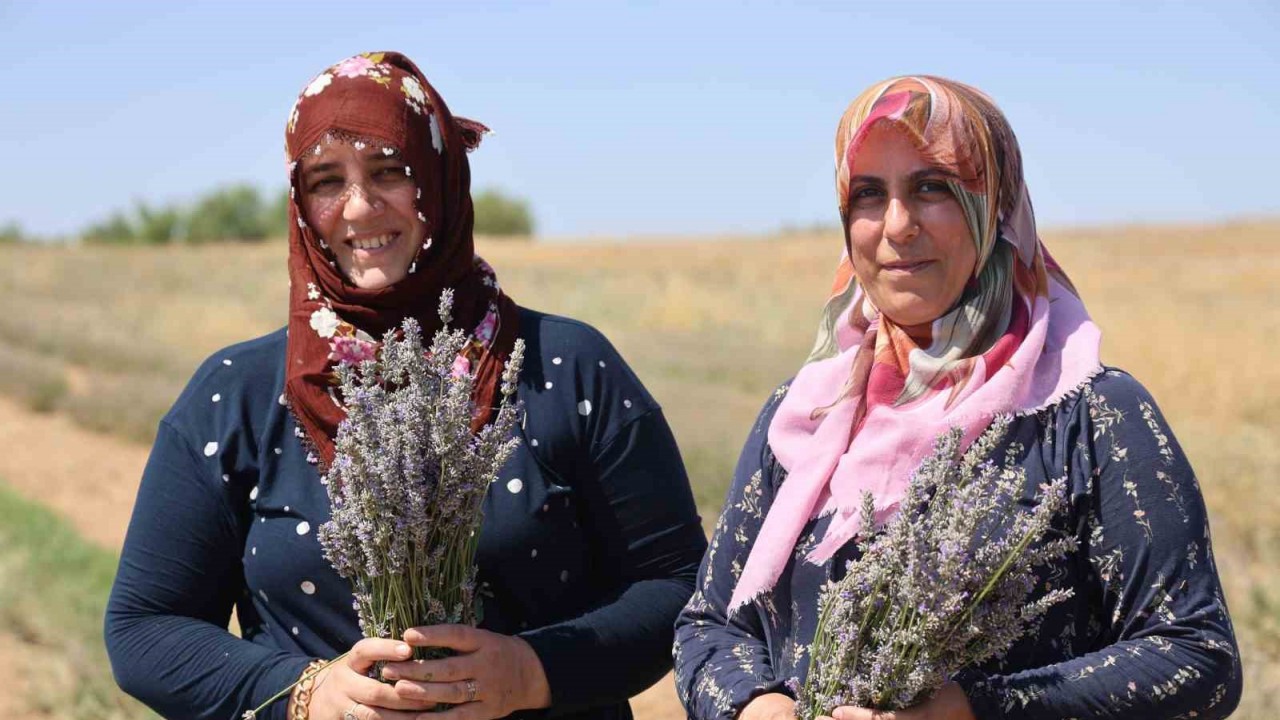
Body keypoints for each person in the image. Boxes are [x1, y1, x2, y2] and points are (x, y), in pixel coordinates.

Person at [105, 51, 707, 720]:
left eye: (391, 171)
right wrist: (309, 694)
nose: (359, 208)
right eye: (326, 181)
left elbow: (679, 587)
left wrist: (532, 672)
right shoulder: (236, 396)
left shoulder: (567, 368)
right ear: (300, 203)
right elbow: (144, 629)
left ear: (443, 178)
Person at [673, 76, 1242, 720]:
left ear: (993, 205)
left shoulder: (1091, 414)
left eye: (932, 187)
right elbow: (710, 626)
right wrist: (756, 708)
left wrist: (973, 710)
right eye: (868, 193)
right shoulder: (808, 412)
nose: (897, 225)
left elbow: (1196, 657)